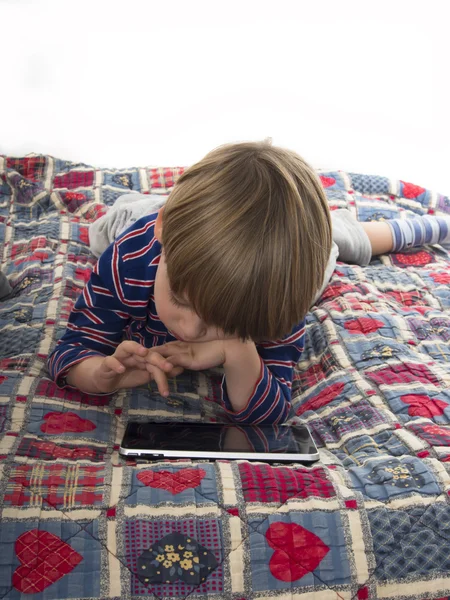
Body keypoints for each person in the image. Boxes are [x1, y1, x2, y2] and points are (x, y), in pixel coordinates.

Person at [47, 141, 450, 424]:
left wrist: (238, 350)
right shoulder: (129, 260)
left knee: (337, 242)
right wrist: (98, 374)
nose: (188, 329)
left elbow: (271, 408)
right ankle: (153, 210)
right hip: (150, 221)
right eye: (181, 300)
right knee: (107, 228)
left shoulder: (276, 298)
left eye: (219, 322)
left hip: (293, 248)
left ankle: (421, 223)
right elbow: (72, 349)